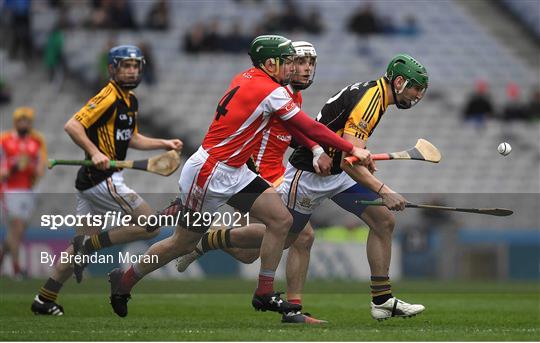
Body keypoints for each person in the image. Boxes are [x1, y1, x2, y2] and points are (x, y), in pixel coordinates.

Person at [107, 35, 373, 318]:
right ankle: (124, 280)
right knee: (180, 243)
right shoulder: (272, 91)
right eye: (287, 62)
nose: (292, 68)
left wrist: (317, 148)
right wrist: (349, 147)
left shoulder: (248, 76)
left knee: (281, 220)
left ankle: (264, 293)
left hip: (236, 171)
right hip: (210, 173)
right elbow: (308, 125)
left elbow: (295, 128)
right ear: (270, 63)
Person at [175, 41, 328, 324]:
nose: (306, 69)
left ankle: (209, 240)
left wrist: (320, 152)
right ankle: (292, 310)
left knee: (248, 255)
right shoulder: (274, 94)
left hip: (274, 173)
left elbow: (296, 137)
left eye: (311, 63)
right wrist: (326, 149)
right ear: (284, 64)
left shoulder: (294, 98)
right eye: (299, 62)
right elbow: (298, 133)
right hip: (258, 174)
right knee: (303, 235)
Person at [30, 45, 183, 316]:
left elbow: (131, 138)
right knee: (150, 225)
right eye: (126, 66)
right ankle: (88, 245)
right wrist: (95, 152)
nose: (132, 70)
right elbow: (72, 125)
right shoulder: (108, 97)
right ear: (113, 68)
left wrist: (163, 143)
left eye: (136, 66)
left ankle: (44, 299)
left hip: (91, 182)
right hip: (103, 178)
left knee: (78, 251)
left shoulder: (130, 100)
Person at [280, 53, 428, 321]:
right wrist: (385, 190)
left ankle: (382, 300)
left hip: (336, 175)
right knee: (287, 238)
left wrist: (364, 157)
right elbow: (350, 162)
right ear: (398, 82)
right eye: (415, 87)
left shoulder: (376, 95)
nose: (417, 94)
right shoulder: (371, 100)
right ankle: (212, 241)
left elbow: (349, 154)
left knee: (383, 221)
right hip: (308, 174)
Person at [0, 107, 47, 279]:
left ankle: (1, 255)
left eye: (27, 121)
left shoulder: (37, 141)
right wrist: (12, 167)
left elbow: (41, 169)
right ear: (15, 122)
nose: (24, 123)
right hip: (10, 190)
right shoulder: (4, 140)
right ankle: (16, 269)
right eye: (21, 120)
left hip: (28, 190)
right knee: (17, 227)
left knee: (18, 232)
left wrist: (31, 167)